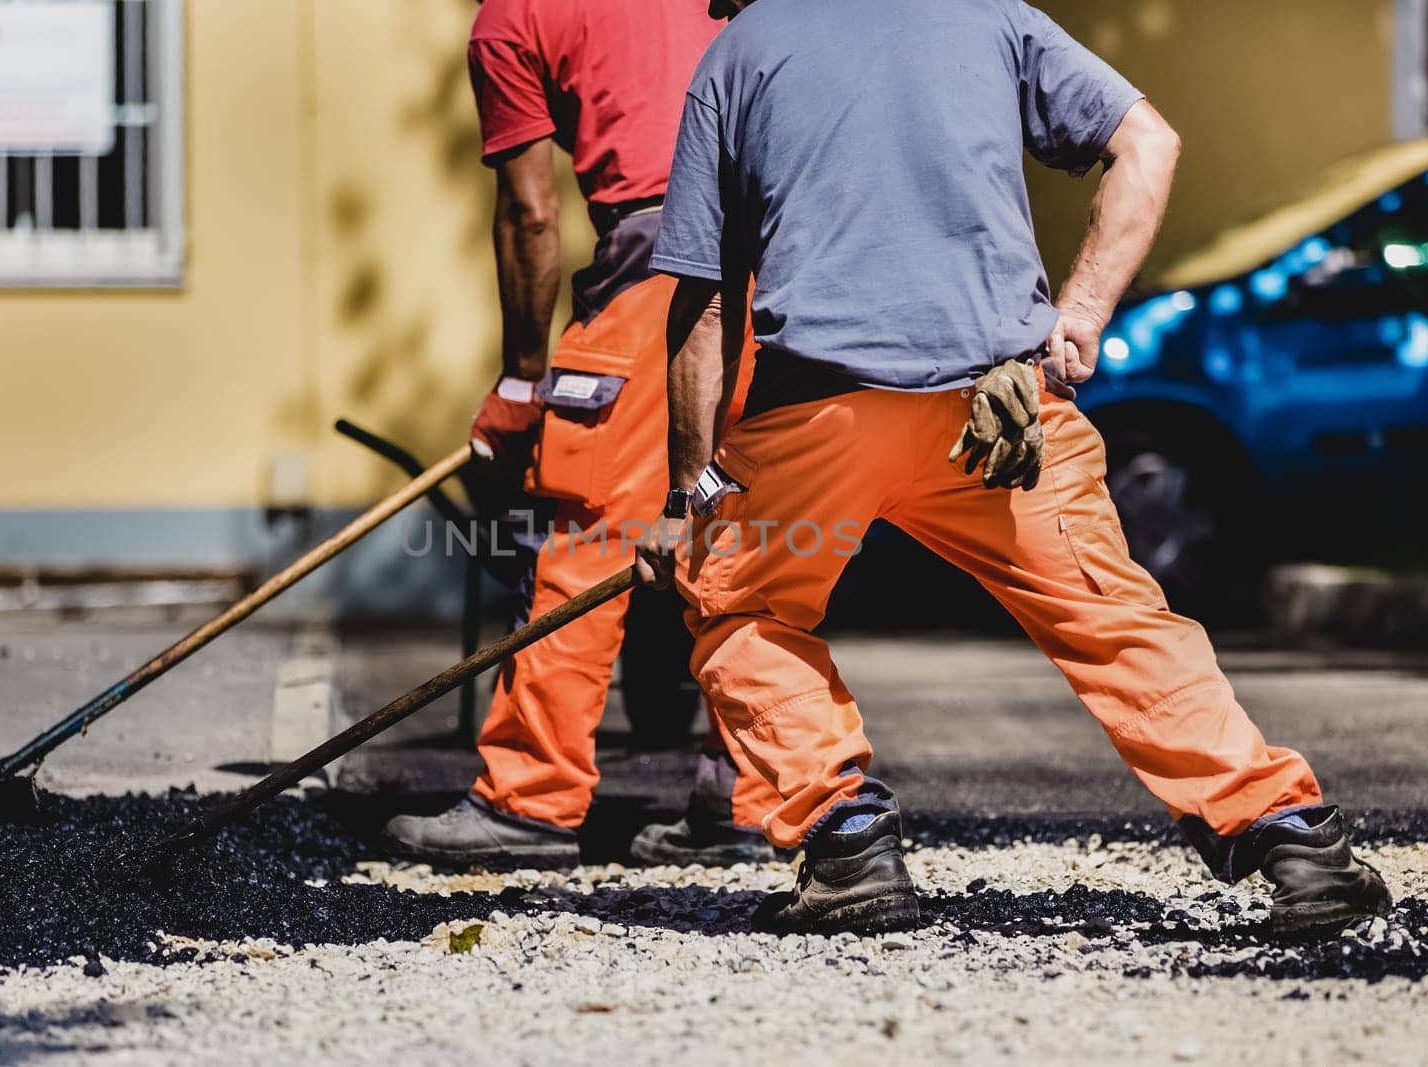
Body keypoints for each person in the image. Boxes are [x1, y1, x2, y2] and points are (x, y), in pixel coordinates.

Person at [638, 0, 1393, 936]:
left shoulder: (738, 52)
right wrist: (1079, 314)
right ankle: (1287, 833)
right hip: (1002, 413)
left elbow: (706, 309)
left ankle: (845, 842)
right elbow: (1148, 143)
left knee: (738, 603)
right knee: (1114, 620)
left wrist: (686, 500)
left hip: (819, 416)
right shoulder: (990, 14)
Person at [382, 0, 776, 869]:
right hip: (786, 253)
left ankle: (529, 797)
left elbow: (529, 216)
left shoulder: (510, 18)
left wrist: (522, 384)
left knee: (582, 528)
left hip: (661, 263)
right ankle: (747, 794)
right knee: (743, 529)